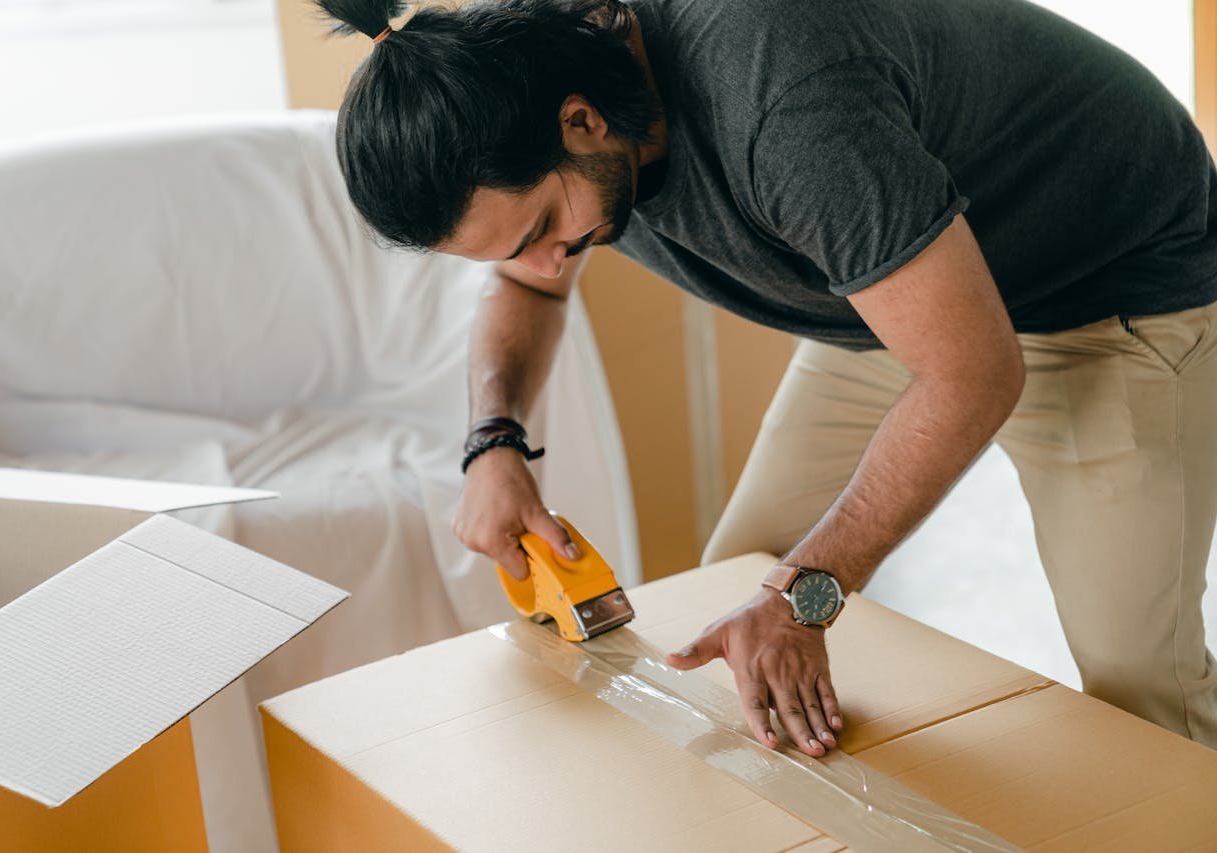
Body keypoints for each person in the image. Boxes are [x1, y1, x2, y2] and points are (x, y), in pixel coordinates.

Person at [315, 0, 1217, 755]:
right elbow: (522, 282)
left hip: (1109, 281)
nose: (551, 265)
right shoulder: (529, 87)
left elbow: (975, 375)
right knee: (731, 602)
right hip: (892, 296)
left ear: (583, 119)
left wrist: (806, 596)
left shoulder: (787, 105)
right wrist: (493, 442)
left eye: (548, 227)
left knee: (1137, 675)